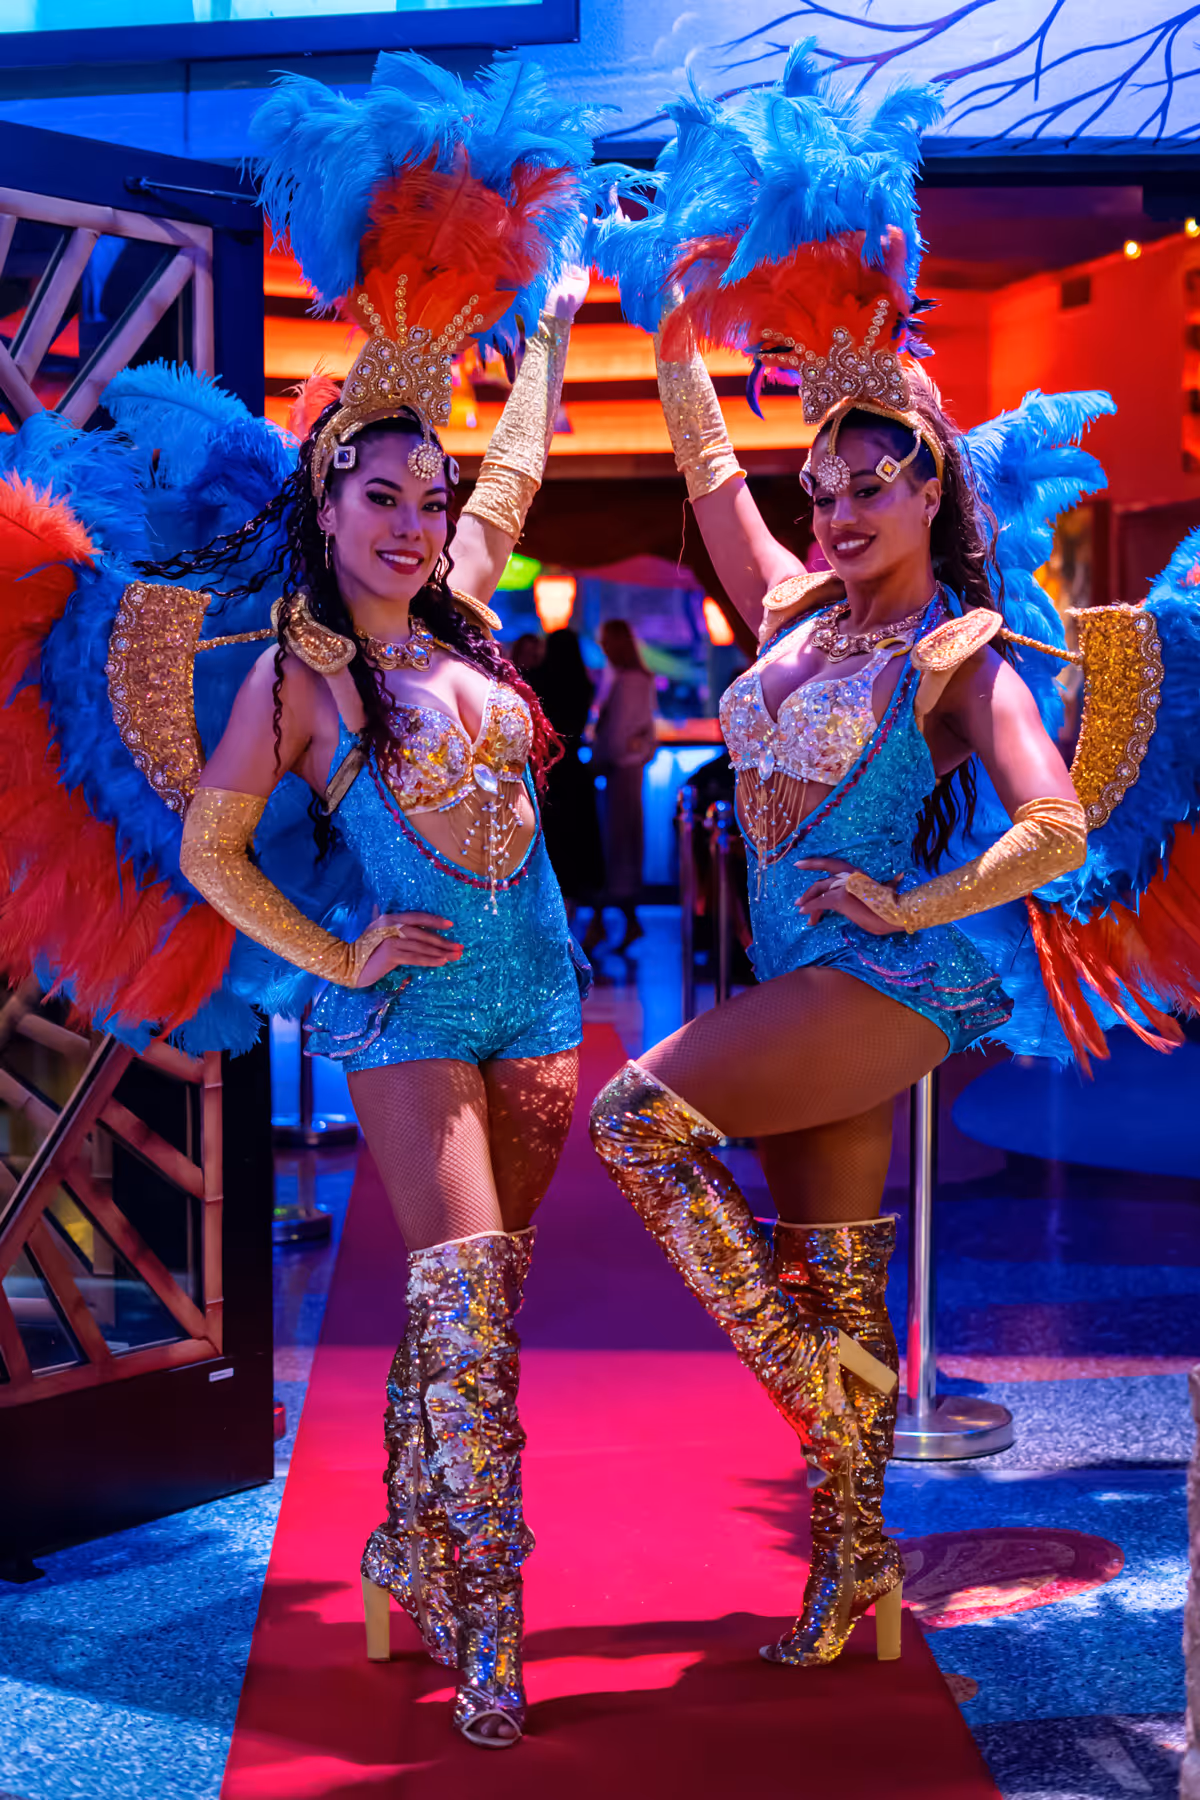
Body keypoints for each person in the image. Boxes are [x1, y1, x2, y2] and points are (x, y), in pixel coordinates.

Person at [0, 55, 601, 1750]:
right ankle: (490, 1615)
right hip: (402, 1007)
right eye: (379, 497)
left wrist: (558, 326)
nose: (414, 524)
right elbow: (214, 856)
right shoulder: (295, 677)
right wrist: (336, 948)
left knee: (472, 1307)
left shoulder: (468, 611)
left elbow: (517, 469)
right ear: (323, 506)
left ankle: (407, 1542)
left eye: (428, 500)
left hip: (543, 997)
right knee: (466, 1308)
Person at [589, 46, 1200, 1675]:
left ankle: (821, 1402)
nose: (843, 504)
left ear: (936, 489)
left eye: (877, 481)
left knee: (636, 1125)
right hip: (802, 978)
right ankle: (853, 1571)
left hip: (891, 978)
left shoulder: (960, 653)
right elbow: (707, 468)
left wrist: (916, 899)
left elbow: (1056, 825)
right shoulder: (793, 611)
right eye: (827, 482)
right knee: (837, 1278)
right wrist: (675, 324)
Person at [584, 618, 658, 952]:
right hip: (626, 771)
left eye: (606, 641)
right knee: (622, 845)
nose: (603, 648)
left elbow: (618, 734)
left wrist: (599, 760)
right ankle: (621, 921)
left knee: (614, 845)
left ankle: (604, 922)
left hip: (619, 772)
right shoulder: (635, 679)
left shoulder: (628, 681)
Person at [529, 627, 605, 917]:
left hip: (546, 769)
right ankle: (578, 911)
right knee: (579, 843)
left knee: (553, 843)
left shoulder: (539, 680)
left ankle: (554, 915)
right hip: (574, 771)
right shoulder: (582, 685)